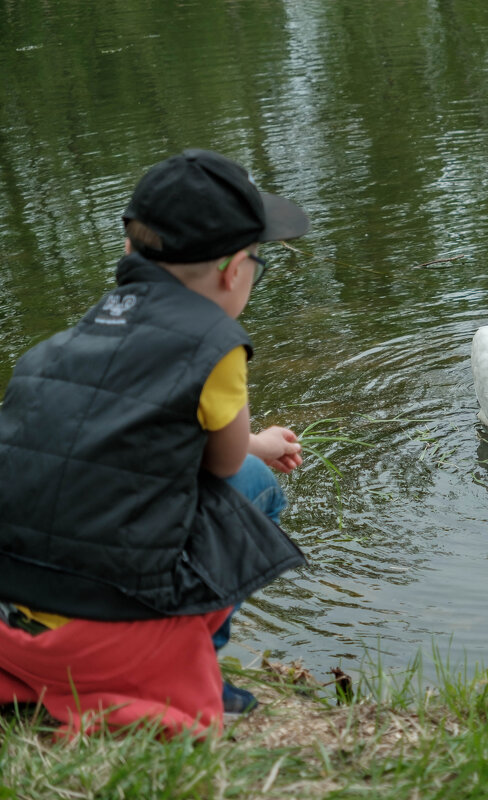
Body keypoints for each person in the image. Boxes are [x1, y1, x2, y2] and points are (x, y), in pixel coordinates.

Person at [0, 149, 310, 737]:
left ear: (128, 249)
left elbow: (123, 439)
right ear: (233, 270)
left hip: (18, 626)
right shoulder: (216, 342)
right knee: (257, 486)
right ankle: (188, 664)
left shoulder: (59, 347)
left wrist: (258, 439)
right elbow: (223, 463)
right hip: (108, 642)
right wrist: (254, 451)